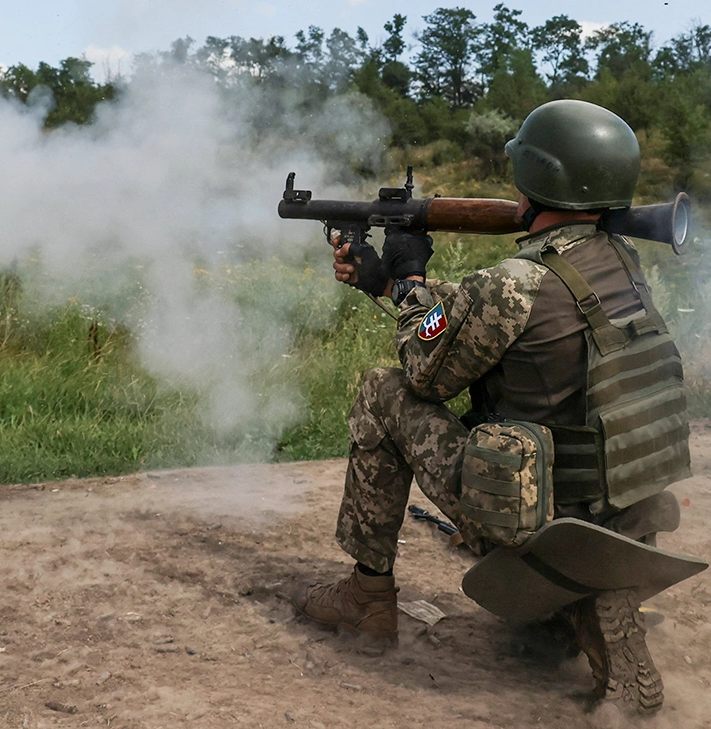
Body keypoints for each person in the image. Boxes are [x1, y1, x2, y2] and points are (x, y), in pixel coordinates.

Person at [290, 99, 690, 715]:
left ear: (536, 176)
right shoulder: (622, 265)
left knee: (381, 389)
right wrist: (394, 285)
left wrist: (409, 279)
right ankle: (578, 602)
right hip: (618, 506)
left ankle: (368, 599)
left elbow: (425, 372)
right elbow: (495, 322)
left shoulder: (515, 282)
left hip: (538, 513)